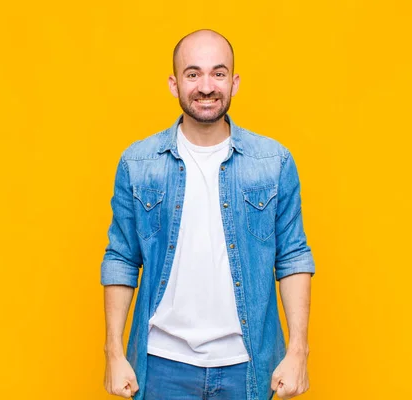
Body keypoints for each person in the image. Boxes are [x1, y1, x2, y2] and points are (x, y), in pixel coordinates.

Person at [101, 29, 315, 400]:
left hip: (247, 365)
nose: (206, 86)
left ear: (234, 83)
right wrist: (114, 354)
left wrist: (298, 352)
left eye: (218, 73)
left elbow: (293, 257)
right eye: (192, 73)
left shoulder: (272, 162)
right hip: (161, 365)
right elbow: (121, 258)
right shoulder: (138, 163)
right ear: (174, 83)